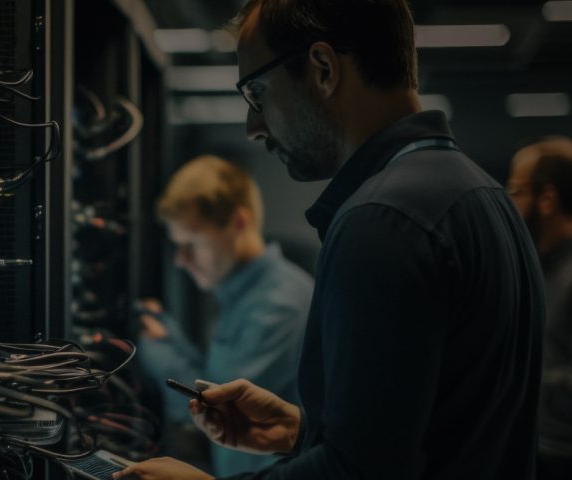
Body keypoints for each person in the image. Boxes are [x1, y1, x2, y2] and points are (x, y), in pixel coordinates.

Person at [115, 0, 545, 478]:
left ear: (322, 68)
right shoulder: (482, 195)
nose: (253, 126)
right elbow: (439, 435)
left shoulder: (382, 219)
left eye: (256, 92)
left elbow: (359, 473)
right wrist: (305, 430)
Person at [136, 155, 313, 476]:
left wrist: (160, 355)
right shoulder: (248, 294)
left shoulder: (279, 306)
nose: (181, 260)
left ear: (239, 223)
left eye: (191, 243)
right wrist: (170, 339)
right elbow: (215, 379)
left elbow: (219, 412)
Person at [507, 136, 572, 479]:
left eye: (515, 192)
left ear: (547, 199)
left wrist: (511, 375)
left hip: (568, 461)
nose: (510, 204)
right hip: (539, 449)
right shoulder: (538, 264)